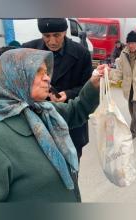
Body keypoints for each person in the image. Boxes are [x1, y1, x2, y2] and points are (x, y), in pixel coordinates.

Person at [0, 48, 104, 202]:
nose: (47, 78)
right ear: (14, 77)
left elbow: (76, 110)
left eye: (46, 72)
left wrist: (94, 84)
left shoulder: (43, 111)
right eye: (38, 72)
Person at [22, 18, 92, 159]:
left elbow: (88, 87)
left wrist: (68, 93)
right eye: (47, 36)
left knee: (71, 171)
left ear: (65, 32)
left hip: (71, 125)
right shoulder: (28, 50)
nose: (52, 41)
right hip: (38, 123)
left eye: (57, 35)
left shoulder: (82, 53)